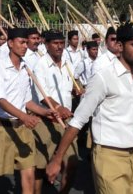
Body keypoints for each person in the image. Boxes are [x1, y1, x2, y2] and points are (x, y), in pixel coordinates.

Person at [47, 23, 133, 194]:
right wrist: (57, 158)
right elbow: (78, 121)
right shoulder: (103, 77)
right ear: (120, 46)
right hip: (109, 156)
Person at [0, 28, 58, 194]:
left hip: (22, 130)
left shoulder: (25, 68)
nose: (25, 46)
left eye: (26, 43)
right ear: (10, 43)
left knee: (28, 181)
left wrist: (45, 112)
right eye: (22, 42)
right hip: (2, 130)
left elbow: (27, 101)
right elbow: (0, 99)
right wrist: (24, 116)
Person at [32, 30, 81, 194]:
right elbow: (42, 95)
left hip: (67, 121)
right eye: (55, 43)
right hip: (47, 119)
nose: (59, 46)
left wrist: (76, 91)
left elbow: (70, 88)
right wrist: (59, 108)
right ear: (46, 45)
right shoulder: (40, 65)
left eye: (62, 43)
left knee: (72, 163)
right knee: (40, 166)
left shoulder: (68, 63)